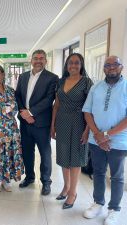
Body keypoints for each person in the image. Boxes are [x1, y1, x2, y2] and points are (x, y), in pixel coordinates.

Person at [82, 56, 127, 225]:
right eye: (107, 65)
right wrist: (97, 134)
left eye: (115, 64)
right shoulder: (96, 88)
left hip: (119, 141)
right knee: (98, 172)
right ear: (104, 69)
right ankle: (98, 203)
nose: (111, 68)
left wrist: (107, 135)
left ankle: (114, 209)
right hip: (96, 140)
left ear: (121, 67)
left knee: (117, 176)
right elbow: (87, 112)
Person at [50, 53, 93, 209]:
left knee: (75, 158)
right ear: (66, 65)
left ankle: (73, 193)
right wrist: (52, 125)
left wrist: (88, 129)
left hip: (79, 123)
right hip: (61, 122)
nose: (73, 65)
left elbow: (91, 108)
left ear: (81, 65)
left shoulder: (86, 82)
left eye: (76, 62)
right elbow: (56, 105)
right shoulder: (61, 81)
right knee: (63, 156)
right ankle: (66, 187)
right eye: (70, 63)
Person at [15, 49, 58, 195]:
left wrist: (31, 112)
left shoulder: (52, 78)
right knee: (27, 151)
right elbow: (18, 96)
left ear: (46, 61)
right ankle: (29, 177)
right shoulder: (23, 76)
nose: (38, 60)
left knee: (45, 153)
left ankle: (46, 182)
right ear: (31, 60)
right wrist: (24, 113)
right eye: (35, 58)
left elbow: (49, 99)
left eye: (41, 58)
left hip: (41, 123)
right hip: (25, 122)